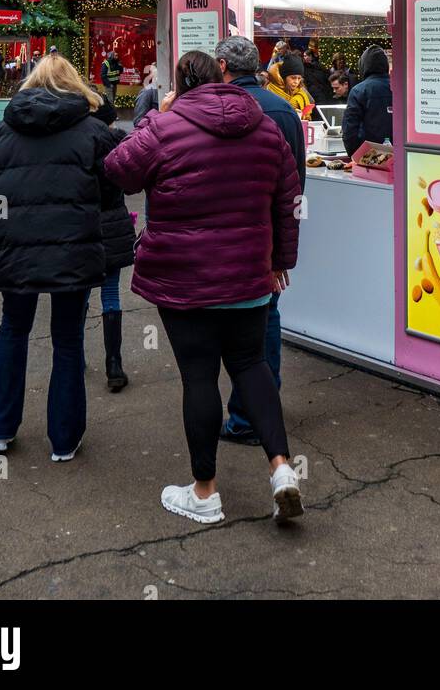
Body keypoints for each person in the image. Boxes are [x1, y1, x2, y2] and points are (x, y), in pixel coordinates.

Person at [104, 50, 304, 526]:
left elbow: (118, 169)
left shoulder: (168, 126)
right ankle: (281, 469)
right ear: (223, 78)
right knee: (251, 365)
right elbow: (288, 198)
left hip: (184, 277)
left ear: (181, 83)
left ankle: (205, 492)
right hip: (249, 275)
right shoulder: (265, 128)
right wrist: (281, 261)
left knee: (198, 378)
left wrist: (158, 113)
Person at [0, 53, 118, 461]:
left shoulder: (1, 132)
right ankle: (63, 439)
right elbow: (111, 191)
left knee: (13, 329)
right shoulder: (93, 132)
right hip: (72, 247)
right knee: (68, 339)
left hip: (13, 249)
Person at [214, 35, 305, 446]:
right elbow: (295, 188)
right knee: (266, 320)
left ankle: (245, 416)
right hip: (266, 236)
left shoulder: (217, 109)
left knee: (227, 327)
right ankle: (259, 411)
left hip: (225, 236)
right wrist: (282, 252)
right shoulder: (283, 110)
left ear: (222, 66)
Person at [91, 96, 137, 391]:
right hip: (114, 226)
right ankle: (114, 363)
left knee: (80, 294)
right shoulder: (117, 145)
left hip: (83, 226)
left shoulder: (76, 145)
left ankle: (74, 355)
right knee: (111, 295)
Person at [342, 45, 393, 155]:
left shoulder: (359, 90)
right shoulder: (400, 87)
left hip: (369, 156)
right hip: (400, 155)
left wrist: (355, 156)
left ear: (363, 65)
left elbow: (349, 129)